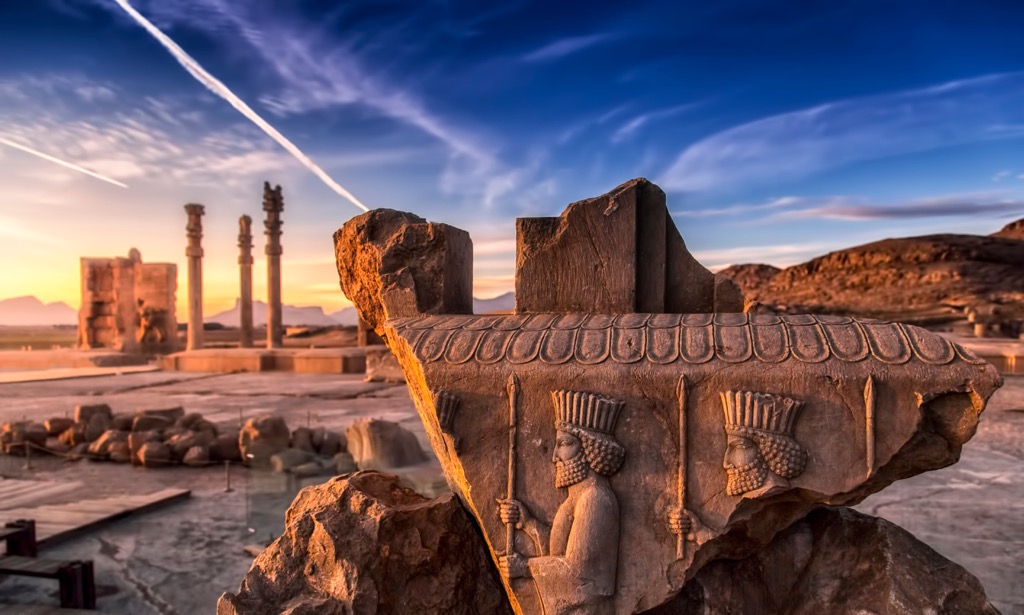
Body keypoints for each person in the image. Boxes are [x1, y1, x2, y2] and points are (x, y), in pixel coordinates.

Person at [497, 390, 625, 615]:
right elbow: (559, 554)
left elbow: (578, 571)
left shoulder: (595, 499)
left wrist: (525, 567)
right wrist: (528, 523)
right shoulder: (575, 500)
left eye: (564, 443)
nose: (555, 456)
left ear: (589, 449)